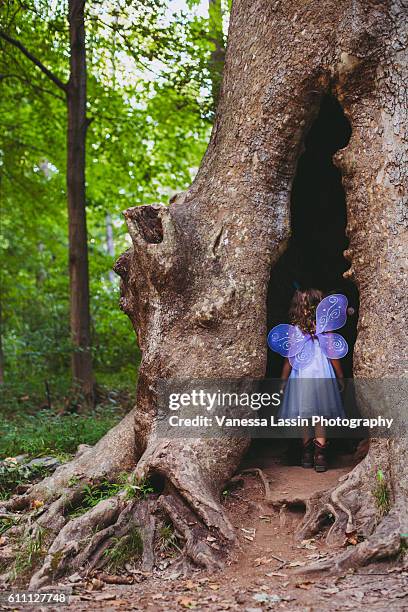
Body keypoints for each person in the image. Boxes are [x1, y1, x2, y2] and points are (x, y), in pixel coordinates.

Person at [268, 289, 348, 472]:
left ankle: (306, 452)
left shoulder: (295, 330)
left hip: (301, 372)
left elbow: (289, 358)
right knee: (320, 413)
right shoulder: (325, 329)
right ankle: (320, 456)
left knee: (304, 412)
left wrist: (283, 380)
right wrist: (340, 376)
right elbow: (333, 354)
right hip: (321, 372)